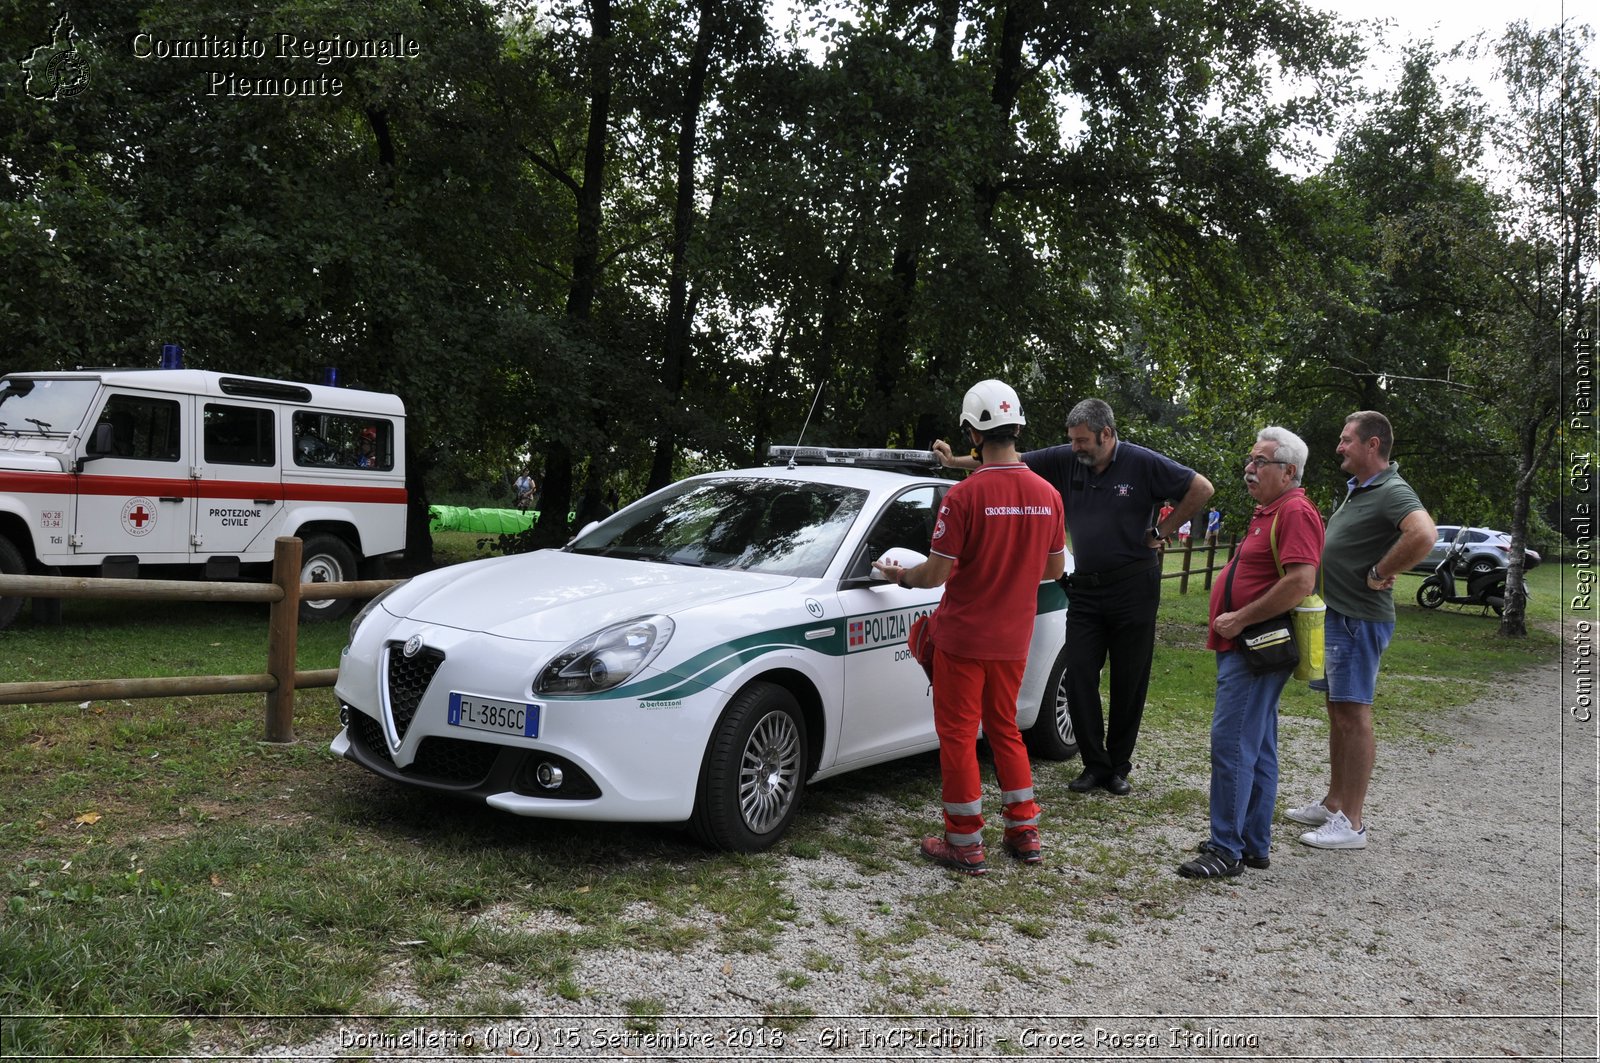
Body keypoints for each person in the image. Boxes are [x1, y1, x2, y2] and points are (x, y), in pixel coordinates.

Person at [936, 398, 1213, 795]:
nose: (1076, 447)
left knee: (1128, 678)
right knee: (1080, 674)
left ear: (1107, 434)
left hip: (1134, 586)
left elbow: (1201, 488)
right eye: (1072, 440)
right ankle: (1093, 764)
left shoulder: (1142, 463)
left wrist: (1162, 531)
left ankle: (1117, 766)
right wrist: (954, 463)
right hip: (1085, 588)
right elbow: (1005, 457)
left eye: (1083, 440)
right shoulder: (1069, 460)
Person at [876, 380, 1067, 875]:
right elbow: (1054, 570)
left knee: (960, 736)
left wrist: (900, 575)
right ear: (1018, 426)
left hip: (962, 637)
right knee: (1005, 730)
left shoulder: (964, 496)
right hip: (1013, 638)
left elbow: (934, 574)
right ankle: (1024, 832)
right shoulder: (1048, 495)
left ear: (972, 433)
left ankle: (964, 842)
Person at [1286, 410, 1435, 850]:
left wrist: (1380, 570)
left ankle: (1351, 823)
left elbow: (1423, 534)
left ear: (1373, 445)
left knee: (1354, 715)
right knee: (1338, 711)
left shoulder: (1392, 489)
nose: (1339, 446)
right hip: (1340, 615)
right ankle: (1334, 803)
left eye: (1347, 439)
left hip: (1359, 620)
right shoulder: (1361, 489)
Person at [1178, 427, 1323, 879]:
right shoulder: (1271, 509)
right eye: (1251, 459)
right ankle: (1252, 842)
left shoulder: (1296, 511)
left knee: (1232, 744)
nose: (1250, 468)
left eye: (1261, 462)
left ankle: (1226, 849)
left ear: (1289, 471)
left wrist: (1240, 618)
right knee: (1257, 745)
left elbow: (1301, 581)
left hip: (1255, 647)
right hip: (1248, 646)